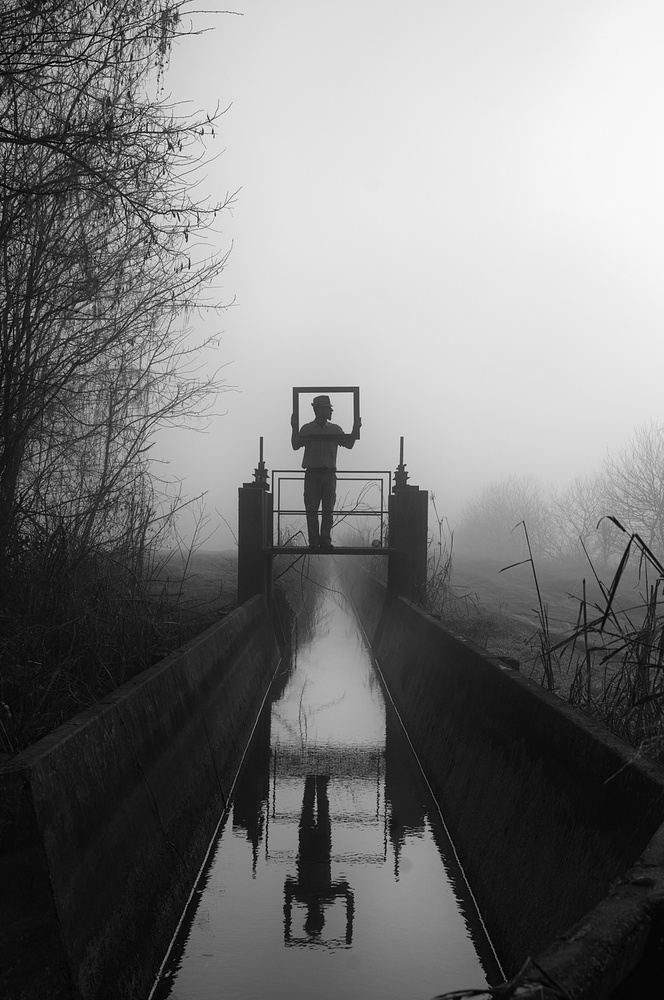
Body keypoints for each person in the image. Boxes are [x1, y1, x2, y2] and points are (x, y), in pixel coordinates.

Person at [291, 394, 361, 549]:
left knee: (328, 510)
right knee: (312, 510)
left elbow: (348, 444)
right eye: (329, 409)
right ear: (320, 410)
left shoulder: (334, 429)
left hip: (328, 473)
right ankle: (315, 541)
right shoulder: (308, 429)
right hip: (313, 473)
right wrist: (293, 428)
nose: (331, 412)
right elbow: (296, 445)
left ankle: (325, 541)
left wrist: (356, 428)